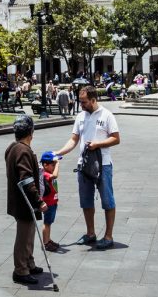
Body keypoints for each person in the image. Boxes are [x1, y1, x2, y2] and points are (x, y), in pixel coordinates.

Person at [55, 85, 121, 250]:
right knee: (86, 200)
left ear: (93, 100)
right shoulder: (80, 116)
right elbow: (74, 140)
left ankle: (108, 236)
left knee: (107, 200)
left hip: (103, 164)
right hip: (83, 164)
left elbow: (116, 138)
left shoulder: (107, 115)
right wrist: (58, 152)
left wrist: (98, 144)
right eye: (80, 101)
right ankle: (90, 233)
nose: (81, 105)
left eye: (84, 102)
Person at [5, 116, 46, 285]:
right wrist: (38, 201)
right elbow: (26, 179)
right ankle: (20, 270)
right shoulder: (23, 151)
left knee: (29, 234)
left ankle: (29, 263)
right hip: (24, 202)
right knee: (24, 236)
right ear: (31, 132)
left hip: (19, 200)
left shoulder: (13, 147)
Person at [40, 151, 61, 252]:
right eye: (53, 165)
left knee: (49, 223)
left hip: (53, 202)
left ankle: (48, 239)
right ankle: (46, 243)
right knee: (47, 223)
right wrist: (57, 164)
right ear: (45, 165)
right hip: (48, 203)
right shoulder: (45, 174)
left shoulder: (49, 173)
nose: (54, 167)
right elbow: (55, 176)